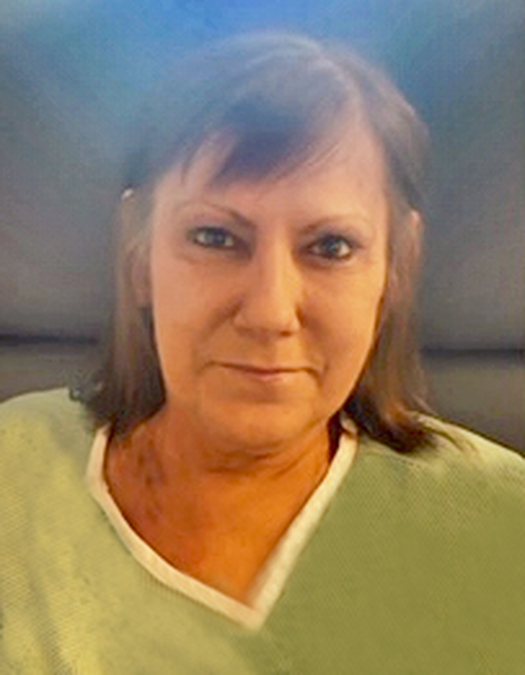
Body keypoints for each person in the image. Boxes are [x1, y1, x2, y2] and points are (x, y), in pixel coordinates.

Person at [1, 32, 524, 674]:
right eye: (215, 237)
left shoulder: (501, 527)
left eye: (331, 247)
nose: (271, 312)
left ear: (396, 267)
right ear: (139, 254)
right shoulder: (14, 471)